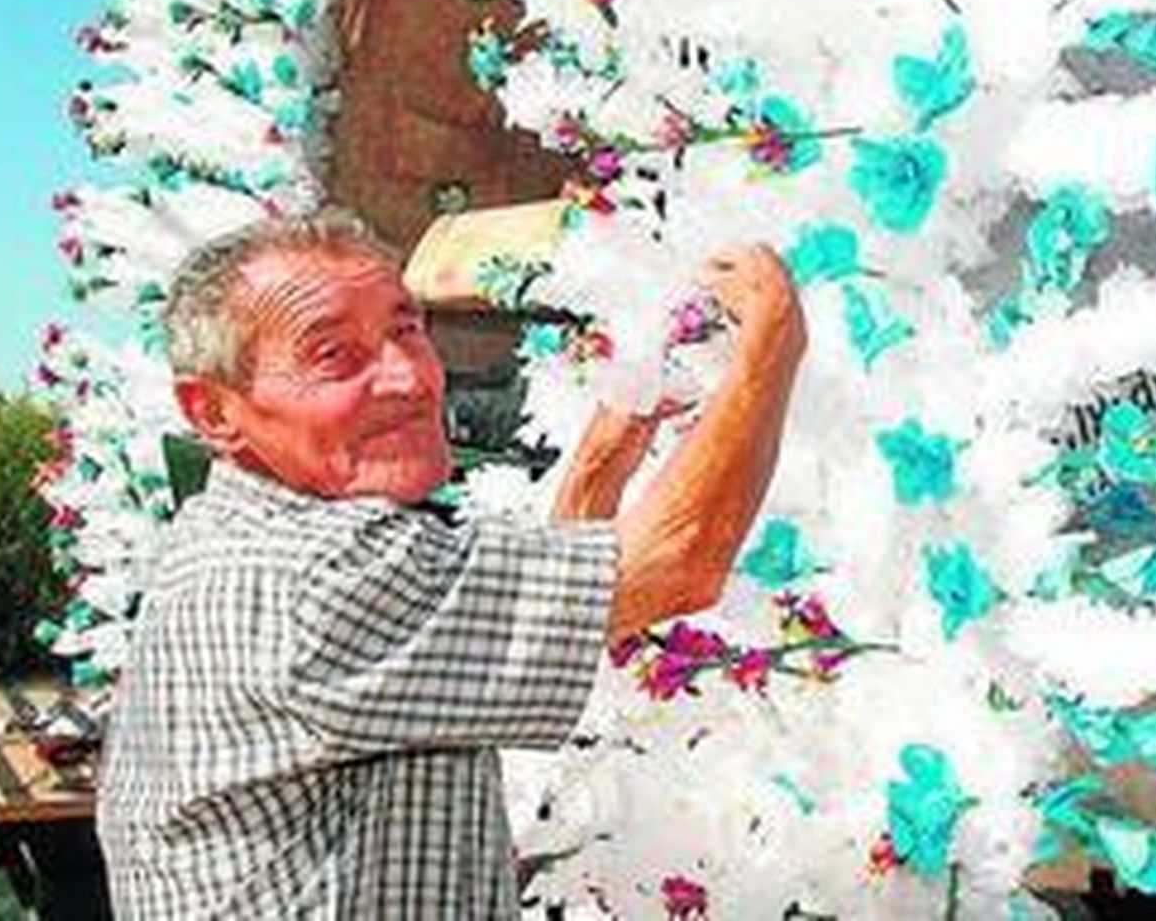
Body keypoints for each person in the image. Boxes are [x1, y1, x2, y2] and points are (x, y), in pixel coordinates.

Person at [95, 209, 805, 917]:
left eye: (406, 329)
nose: (408, 377)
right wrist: (772, 338)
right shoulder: (313, 578)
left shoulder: (236, 536)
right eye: (334, 356)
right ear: (213, 411)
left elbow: (541, 620)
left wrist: (610, 441)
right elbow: (676, 562)